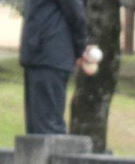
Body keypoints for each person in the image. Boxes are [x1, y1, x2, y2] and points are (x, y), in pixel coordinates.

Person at [20, 0, 88, 134]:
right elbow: (75, 13)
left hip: (38, 51)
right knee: (48, 128)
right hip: (50, 53)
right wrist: (81, 47)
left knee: (38, 129)